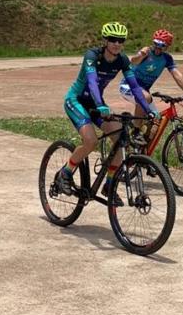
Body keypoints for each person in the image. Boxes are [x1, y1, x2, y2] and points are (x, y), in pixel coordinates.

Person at [55, 22, 158, 203]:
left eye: (120, 40)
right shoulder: (92, 55)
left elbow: (134, 87)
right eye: (112, 40)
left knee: (120, 139)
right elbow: (92, 81)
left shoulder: (122, 60)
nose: (116, 44)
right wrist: (101, 105)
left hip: (97, 104)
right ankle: (65, 173)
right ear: (105, 40)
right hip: (76, 101)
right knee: (91, 141)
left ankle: (109, 184)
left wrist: (148, 110)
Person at [119, 28, 183, 138]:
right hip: (127, 87)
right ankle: (135, 131)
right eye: (156, 44)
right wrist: (141, 55)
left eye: (162, 46)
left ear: (167, 46)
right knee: (145, 97)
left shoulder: (166, 58)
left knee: (156, 119)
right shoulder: (146, 52)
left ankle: (140, 150)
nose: (158, 48)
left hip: (144, 92)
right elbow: (133, 62)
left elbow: (176, 74)